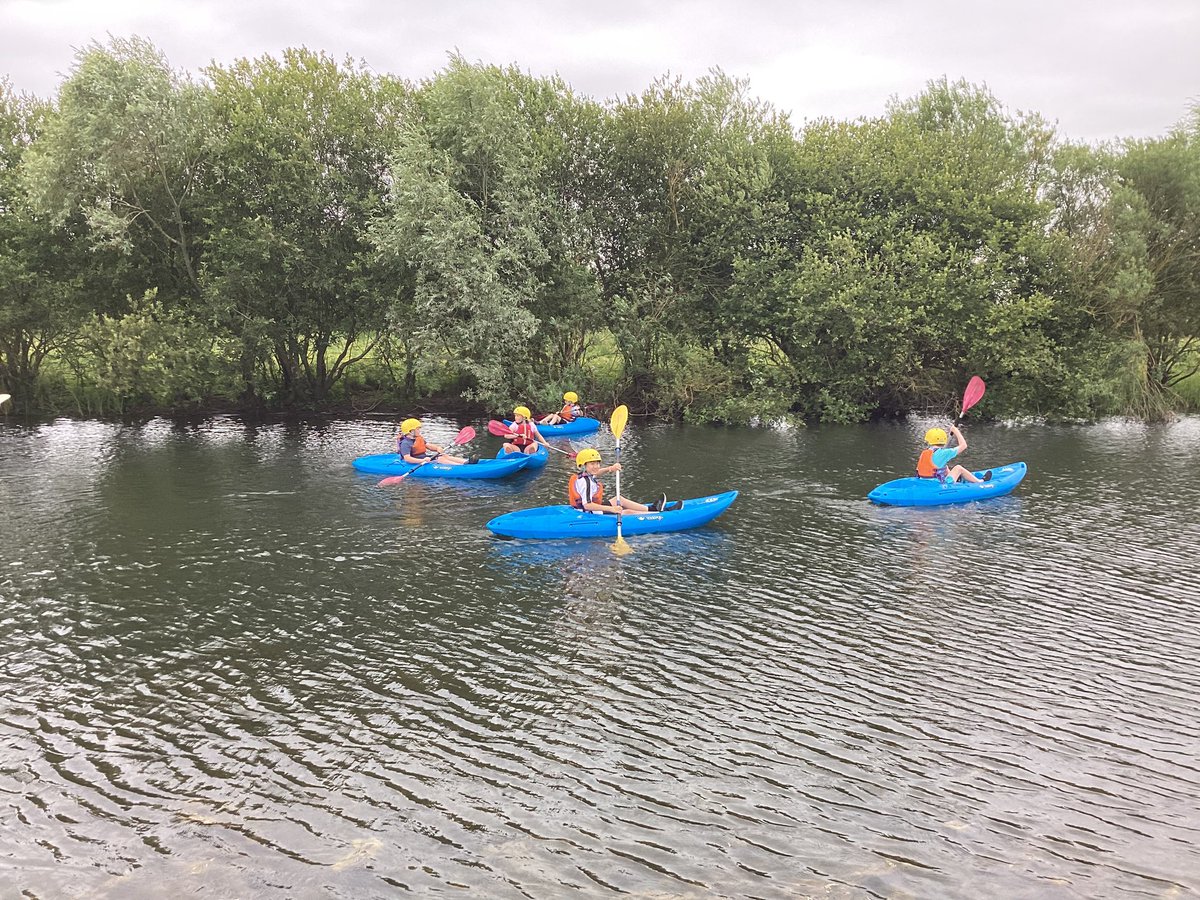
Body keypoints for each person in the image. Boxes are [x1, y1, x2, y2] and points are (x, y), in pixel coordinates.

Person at [568, 448, 682, 514]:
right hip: (588, 513)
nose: (596, 466)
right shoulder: (586, 482)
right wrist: (611, 509)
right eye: (592, 464)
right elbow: (587, 505)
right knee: (627, 512)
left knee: (620, 499)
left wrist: (610, 469)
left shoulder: (584, 475)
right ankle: (659, 515)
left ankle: (652, 509)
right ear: (583, 465)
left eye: (597, 463)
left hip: (587, 509)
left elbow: (596, 473)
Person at [917, 425, 990, 484]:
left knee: (944, 465)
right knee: (958, 468)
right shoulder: (944, 452)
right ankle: (980, 482)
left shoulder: (924, 453)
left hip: (923, 482)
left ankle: (956, 478)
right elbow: (964, 445)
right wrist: (956, 431)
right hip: (937, 484)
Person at [395, 418, 475, 466]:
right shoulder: (405, 443)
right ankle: (461, 467)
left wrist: (437, 448)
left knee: (444, 455)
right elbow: (407, 459)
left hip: (423, 458)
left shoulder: (418, 438)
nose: (419, 431)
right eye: (418, 429)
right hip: (414, 462)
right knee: (440, 459)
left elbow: (428, 446)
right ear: (411, 431)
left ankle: (466, 462)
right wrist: (422, 461)